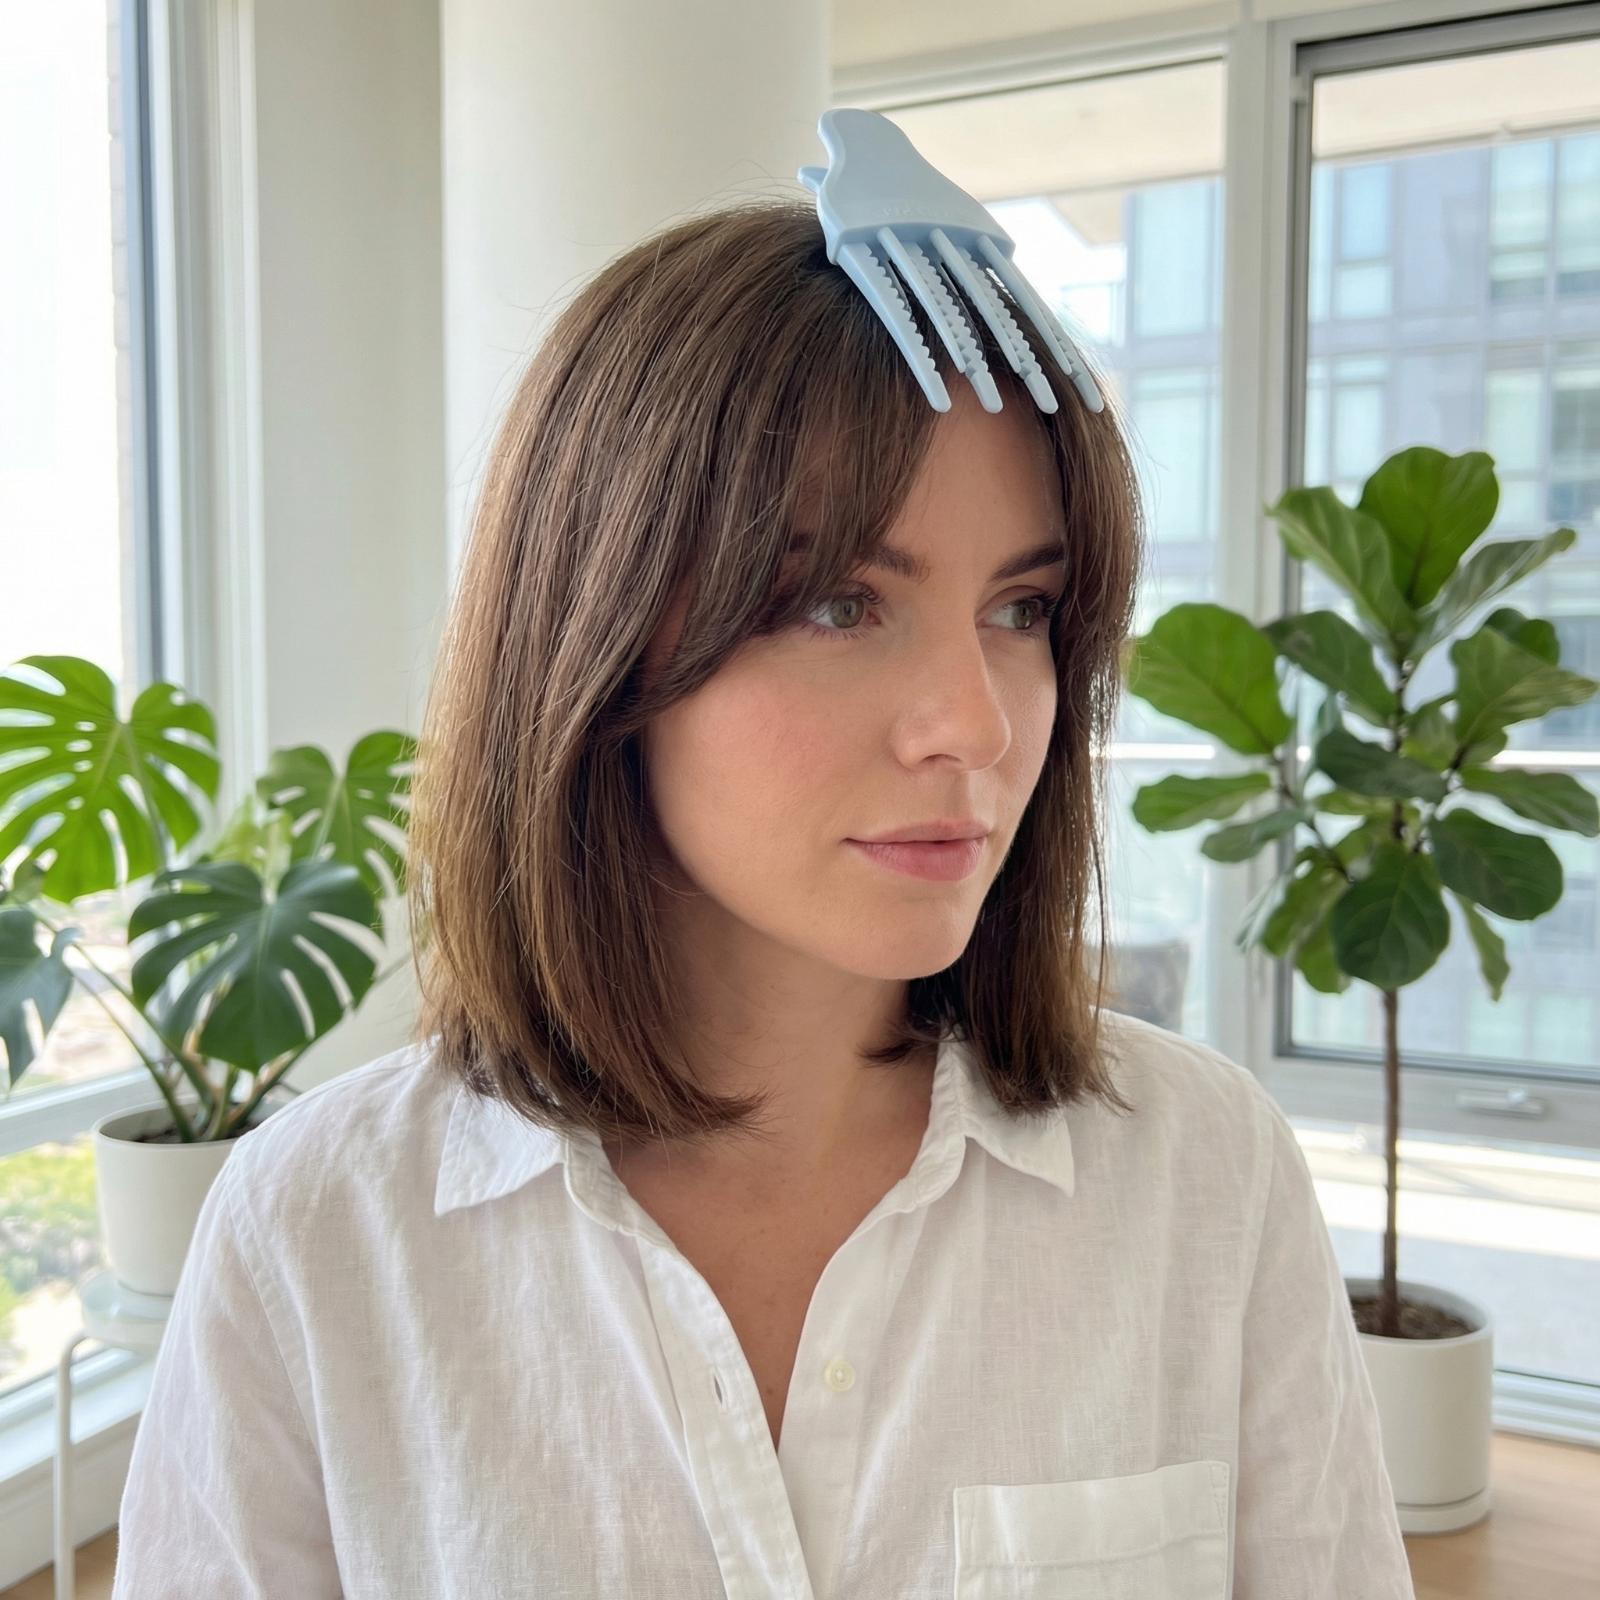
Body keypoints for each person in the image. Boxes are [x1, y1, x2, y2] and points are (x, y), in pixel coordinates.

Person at [110, 199, 1415, 1598]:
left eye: (1022, 609)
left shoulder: (1205, 1180)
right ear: (597, 638)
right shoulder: (319, 1235)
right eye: (844, 603)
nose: (976, 725)